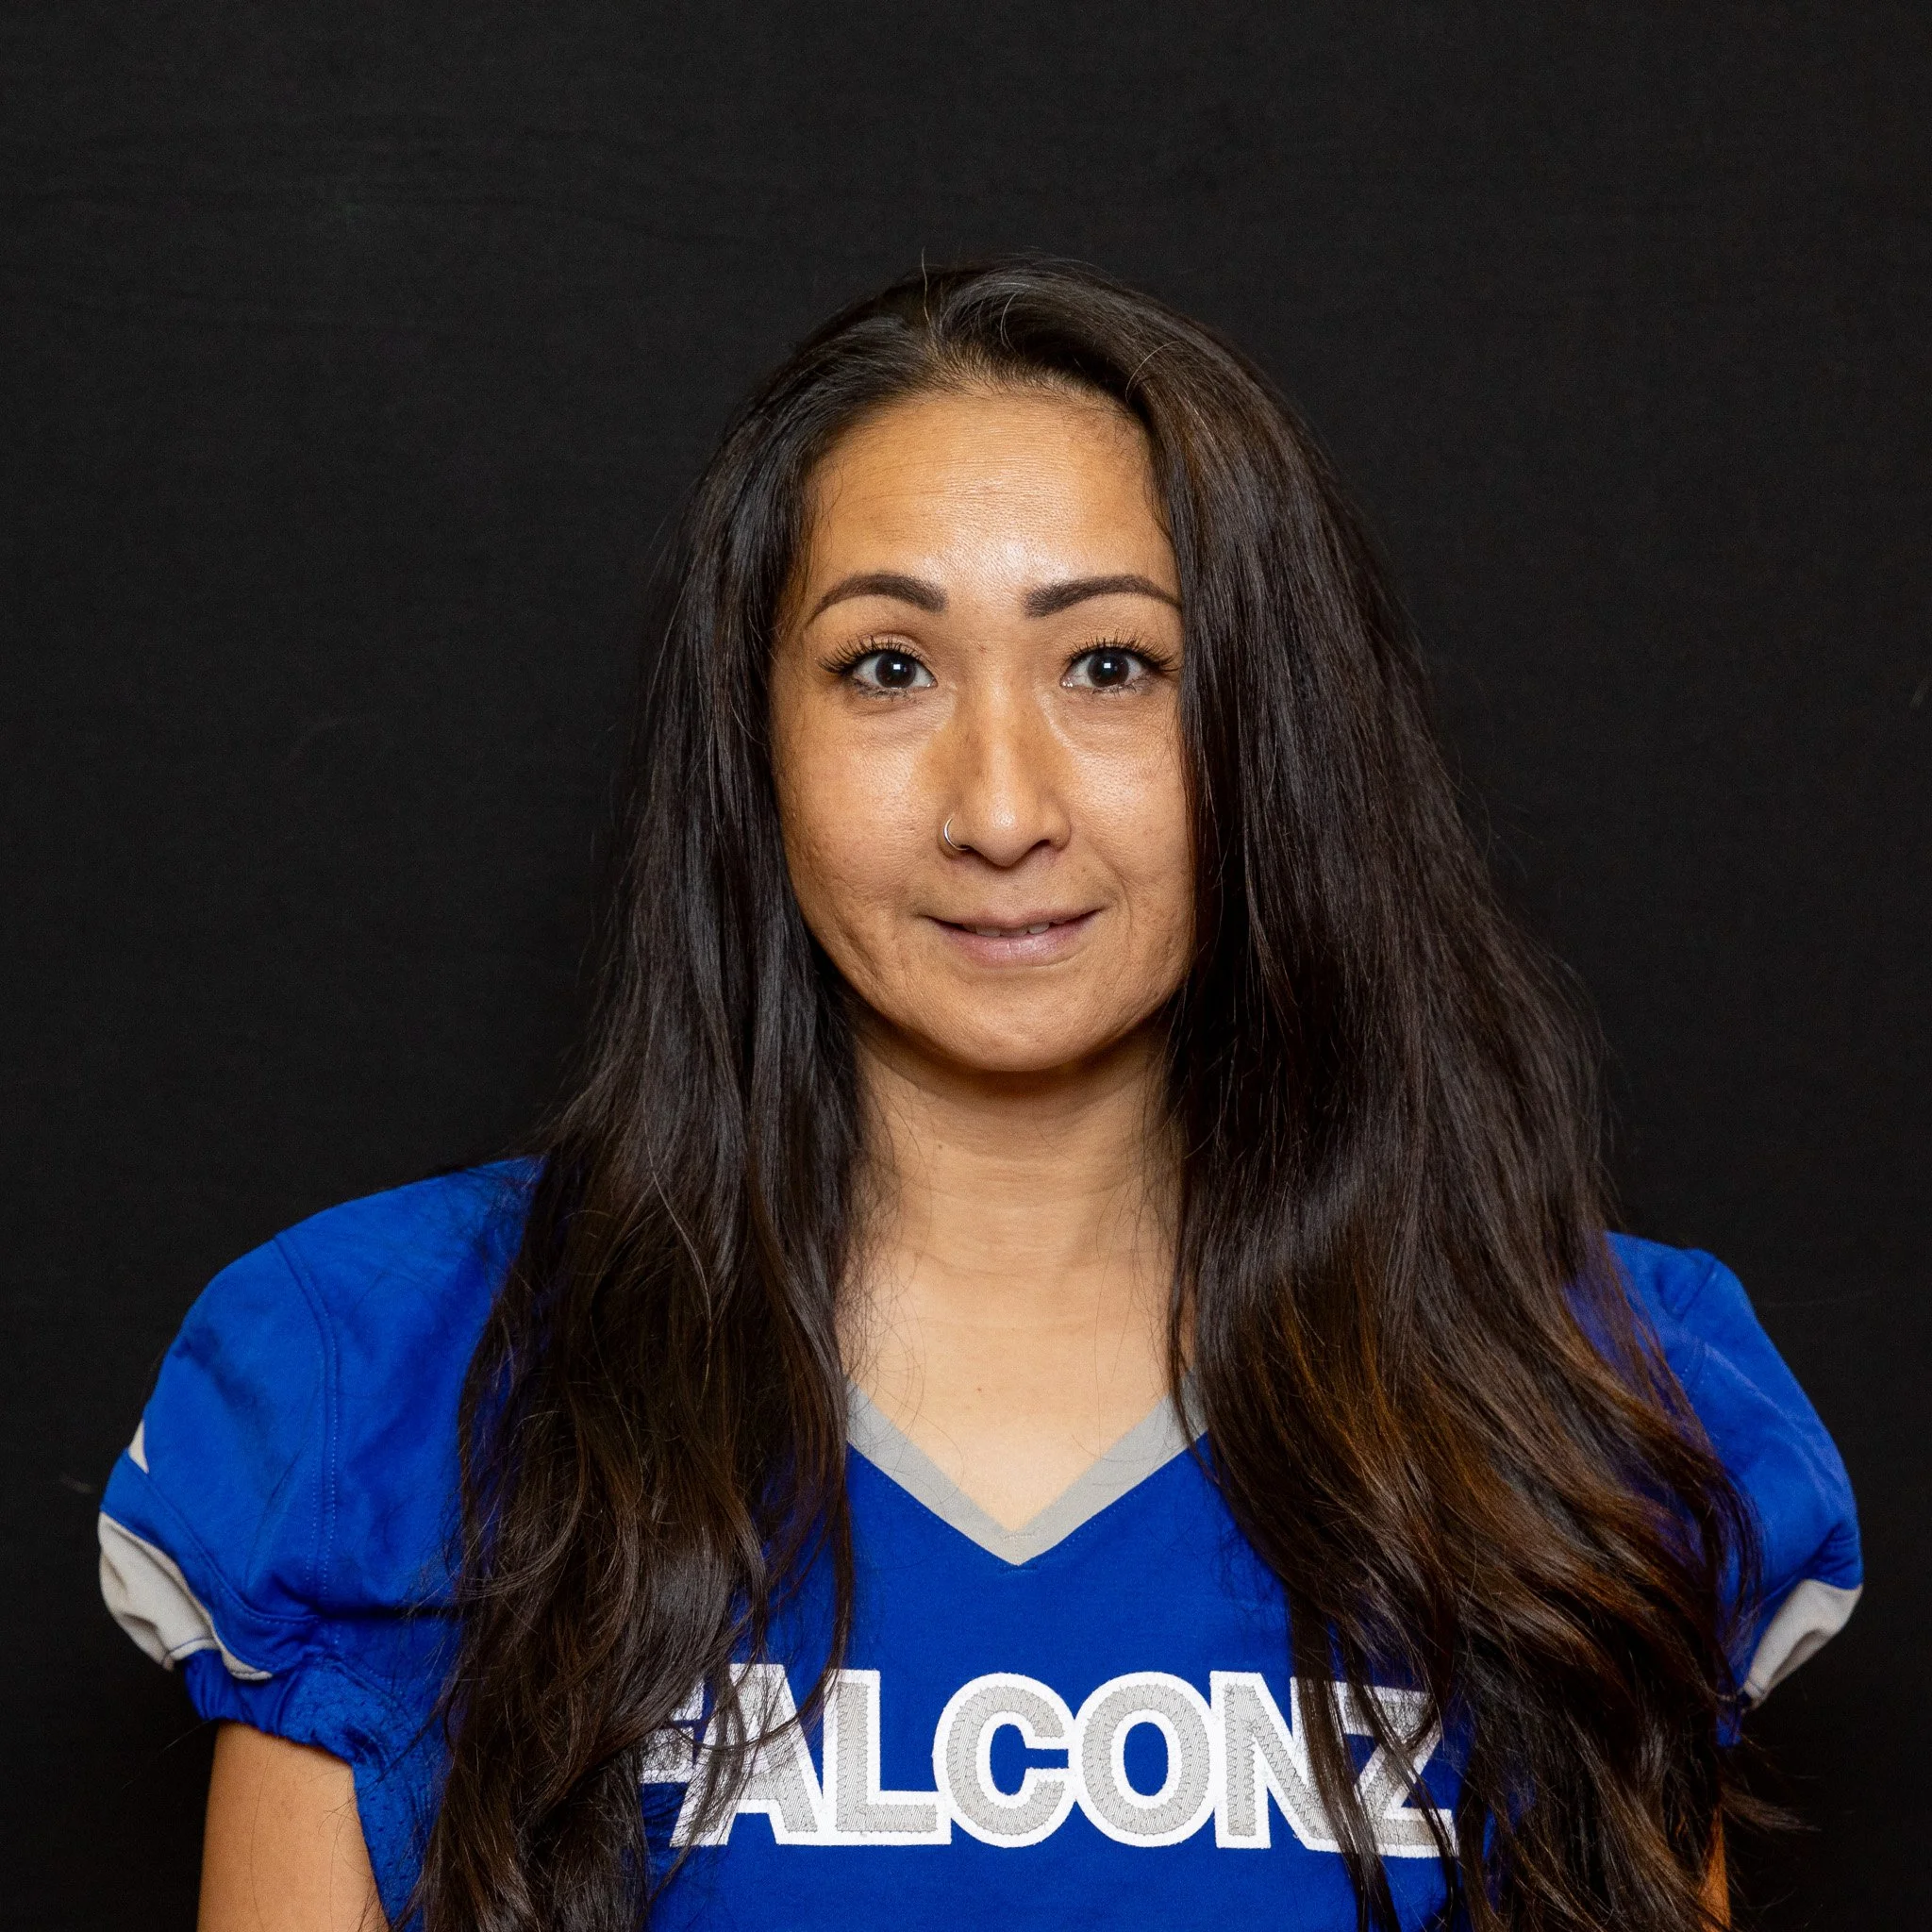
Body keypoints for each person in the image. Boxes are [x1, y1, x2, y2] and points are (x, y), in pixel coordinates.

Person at [98, 260, 1860, 1932]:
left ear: (1269, 732)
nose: (1001, 807)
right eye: (889, 667)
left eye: (1113, 666)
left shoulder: (1582, 1388)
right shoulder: (390, 1379)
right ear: (754, 737)